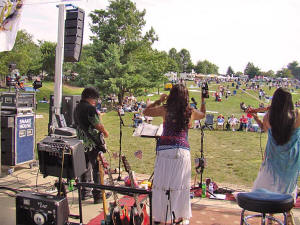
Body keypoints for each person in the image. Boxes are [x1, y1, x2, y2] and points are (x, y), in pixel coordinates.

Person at [143, 84, 206, 224]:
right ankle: (179, 216)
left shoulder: (165, 109)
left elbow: (146, 112)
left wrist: (159, 100)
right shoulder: (191, 112)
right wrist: (203, 100)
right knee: (180, 186)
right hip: (183, 152)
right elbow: (203, 115)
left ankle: (161, 217)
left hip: (165, 151)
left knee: (162, 185)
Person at [250, 88, 300, 224]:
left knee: (270, 192)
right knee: (287, 192)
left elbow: (265, 128)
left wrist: (259, 116)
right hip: (291, 163)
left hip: (273, 161)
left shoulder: (269, 116)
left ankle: (268, 219)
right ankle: (288, 217)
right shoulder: (297, 115)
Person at [73, 87, 109, 204]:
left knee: (85, 167)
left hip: (82, 143)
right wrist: (105, 132)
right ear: (91, 98)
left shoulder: (77, 107)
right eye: (95, 99)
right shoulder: (90, 108)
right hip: (93, 143)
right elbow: (97, 124)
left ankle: (85, 192)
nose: (96, 102)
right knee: (97, 168)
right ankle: (98, 195)